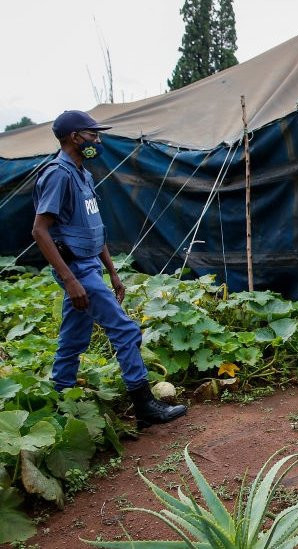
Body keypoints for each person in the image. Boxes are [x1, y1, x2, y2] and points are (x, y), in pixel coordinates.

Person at [32, 110, 187, 428]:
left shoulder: (84, 175)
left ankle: (60, 398)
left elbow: (94, 228)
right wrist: (70, 279)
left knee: (73, 338)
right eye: (93, 134)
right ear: (75, 137)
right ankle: (145, 407)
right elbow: (39, 231)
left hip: (90, 265)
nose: (98, 140)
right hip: (76, 269)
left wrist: (113, 272)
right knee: (126, 331)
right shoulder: (57, 175)